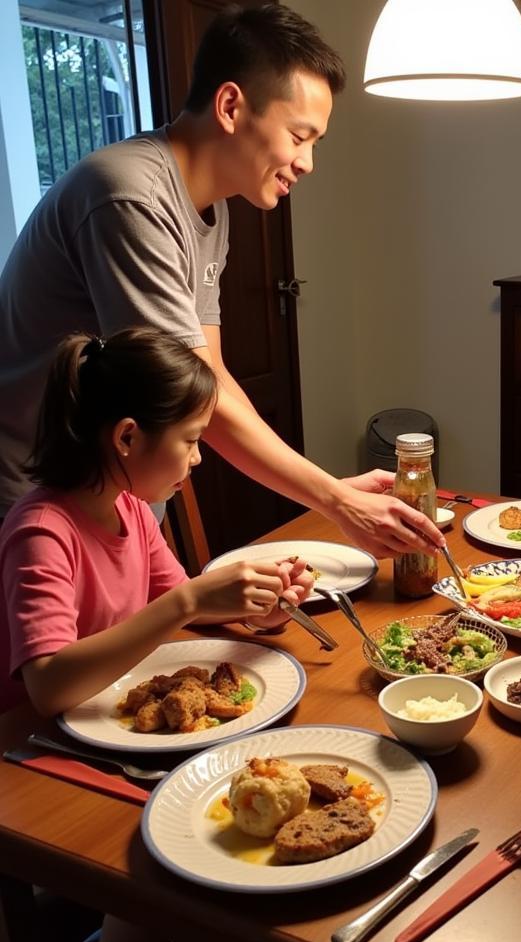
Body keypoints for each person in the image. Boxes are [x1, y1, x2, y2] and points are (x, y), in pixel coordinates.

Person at [0, 3, 441, 557]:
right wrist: (335, 500)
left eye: (316, 143)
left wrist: (328, 492)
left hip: (118, 499)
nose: (307, 162)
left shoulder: (213, 208)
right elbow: (194, 399)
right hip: (37, 500)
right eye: (300, 136)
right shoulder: (129, 194)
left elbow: (209, 377)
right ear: (231, 105)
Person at [0, 328, 316, 942]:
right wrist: (191, 600)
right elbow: (48, 682)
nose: (200, 458)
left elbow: (182, 615)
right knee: (172, 843)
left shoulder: (130, 510)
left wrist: (252, 612)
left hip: (105, 735)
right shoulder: (42, 528)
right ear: (126, 438)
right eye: (191, 440)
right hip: (32, 752)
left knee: (241, 792)